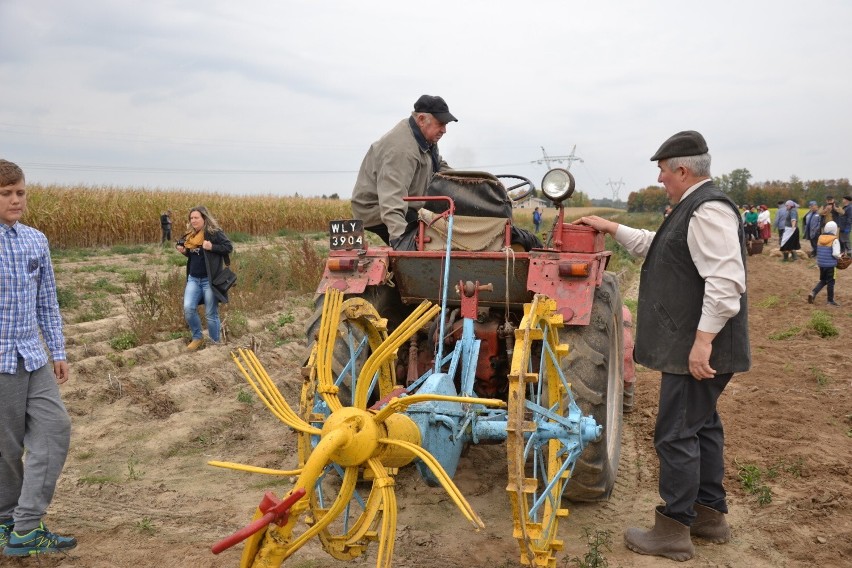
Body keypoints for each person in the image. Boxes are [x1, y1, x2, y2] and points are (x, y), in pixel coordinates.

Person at [577, 131, 749, 562]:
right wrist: (612, 227)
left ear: (683, 170)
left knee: (674, 435)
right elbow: (663, 248)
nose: (659, 178)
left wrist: (702, 343)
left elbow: (727, 285)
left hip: (700, 346)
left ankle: (673, 530)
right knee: (702, 427)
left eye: (663, 170)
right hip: (698, 343)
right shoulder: (693, 209)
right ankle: (710, 516)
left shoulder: (708, 209)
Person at [0, 160, 76, 556]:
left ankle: (26, 525)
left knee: (55, 429)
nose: (16, 200)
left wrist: (57, 350)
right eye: (6, 193)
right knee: (6, 449)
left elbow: (47, 299)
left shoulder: (35, 240)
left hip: (33, 356)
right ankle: (8, 524)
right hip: (0, 363)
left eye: (20, 192)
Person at [351, 95, 456, 247]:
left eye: (445, 124)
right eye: (440, 124)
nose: (444, 130)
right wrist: (402, 241)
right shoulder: (401, 150)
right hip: (375, 208)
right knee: (428, 242)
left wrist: (466, 182)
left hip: (408, 206)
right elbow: (392, 199)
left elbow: (438, 165)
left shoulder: (425, 138)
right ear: (421, 119)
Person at [176, 206, 234, 350]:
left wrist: (212, 247)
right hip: (194, 279)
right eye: (191, 218)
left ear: (204, 218)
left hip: (210, 280)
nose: (193, 220)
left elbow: (228, 247)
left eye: (196, 218)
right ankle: (198, 338)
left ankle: (215, 344)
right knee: (188, 308)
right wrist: (184, 251)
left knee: (210, 313)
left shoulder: (213, 233)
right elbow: (193, 254)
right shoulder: (190, 235)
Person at [807, 221, 842, 307]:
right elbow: (835, 254)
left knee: (823, 280)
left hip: (821, 264)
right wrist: (840, 256)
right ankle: (830, 301)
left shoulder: (820, 238)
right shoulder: (835, 240)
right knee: (831, 282)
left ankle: (813, 292)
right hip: (830, 265)